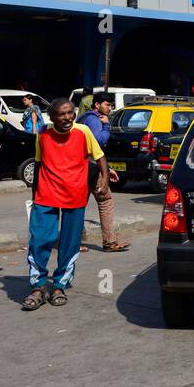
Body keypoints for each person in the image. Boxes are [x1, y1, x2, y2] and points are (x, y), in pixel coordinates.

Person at [22, 99, 111, 310]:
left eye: (71, 113)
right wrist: (34, 196)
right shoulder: (43, 133)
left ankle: (60, 285)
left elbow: (100, 157)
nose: (68, 117)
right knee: (41, 239)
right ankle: (39, 286)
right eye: (62, 114)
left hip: (75, 196)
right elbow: (38, 163)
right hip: (46, 195)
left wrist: (104, 179)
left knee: (69, 244)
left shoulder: (83, 132)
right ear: (52, 117)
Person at [77, 93, 127, 252]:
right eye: (107, 104)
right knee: (105, 201)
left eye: (111, 105)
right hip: (91, 168)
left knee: (78, 206)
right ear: (97, 105)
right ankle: (109, 242)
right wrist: (106, 126)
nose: (110, 108)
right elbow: (97, 143)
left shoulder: (83, 118)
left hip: (82, 167)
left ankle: (73, 244)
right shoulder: (95, 120)